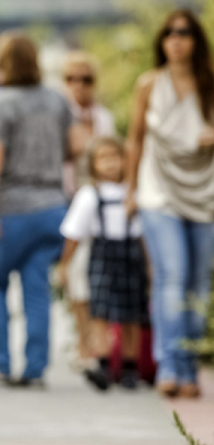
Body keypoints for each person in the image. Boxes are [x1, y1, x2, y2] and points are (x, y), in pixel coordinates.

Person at [0, 33, 75, 387]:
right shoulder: (57, 101)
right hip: (52, 206)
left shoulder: (2, 103)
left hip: (12, 208)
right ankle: (35, 367)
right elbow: (75, 148)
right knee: (36, 287)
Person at [126, 9, 214, 400]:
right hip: (158, 191)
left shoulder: (209, 82)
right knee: (172, 275)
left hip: (205, 192)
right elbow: (135, 139)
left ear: (196, 39)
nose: (176, 40)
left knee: (198, 283)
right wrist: (130, 189)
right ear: (162, 42)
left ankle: (189, 366)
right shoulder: (150, 83)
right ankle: (169, 365)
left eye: (184, 33)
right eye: (169, 33)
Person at [58, 137, 149, 391]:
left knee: (132, 315)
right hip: (102, 255)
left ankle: (131, 367)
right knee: (100, 313)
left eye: (115, 157)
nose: (110, 164)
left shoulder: (135, 193)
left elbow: (144, 236)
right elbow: (73, 233)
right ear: (93, 165)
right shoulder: (89, 195)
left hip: (131, 255)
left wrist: (150, 267)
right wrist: (64, 264)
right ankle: (104, 364)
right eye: (103, 158)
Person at [62, 52, 116, 369]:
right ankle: (83, 339)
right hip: (70, 199)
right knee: (74, 273)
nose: (79, 85)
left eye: (85, 78)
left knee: (96, 274)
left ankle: (97, 341)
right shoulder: (61, 114)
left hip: (100, 203)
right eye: (71, 78)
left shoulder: (103, 117)